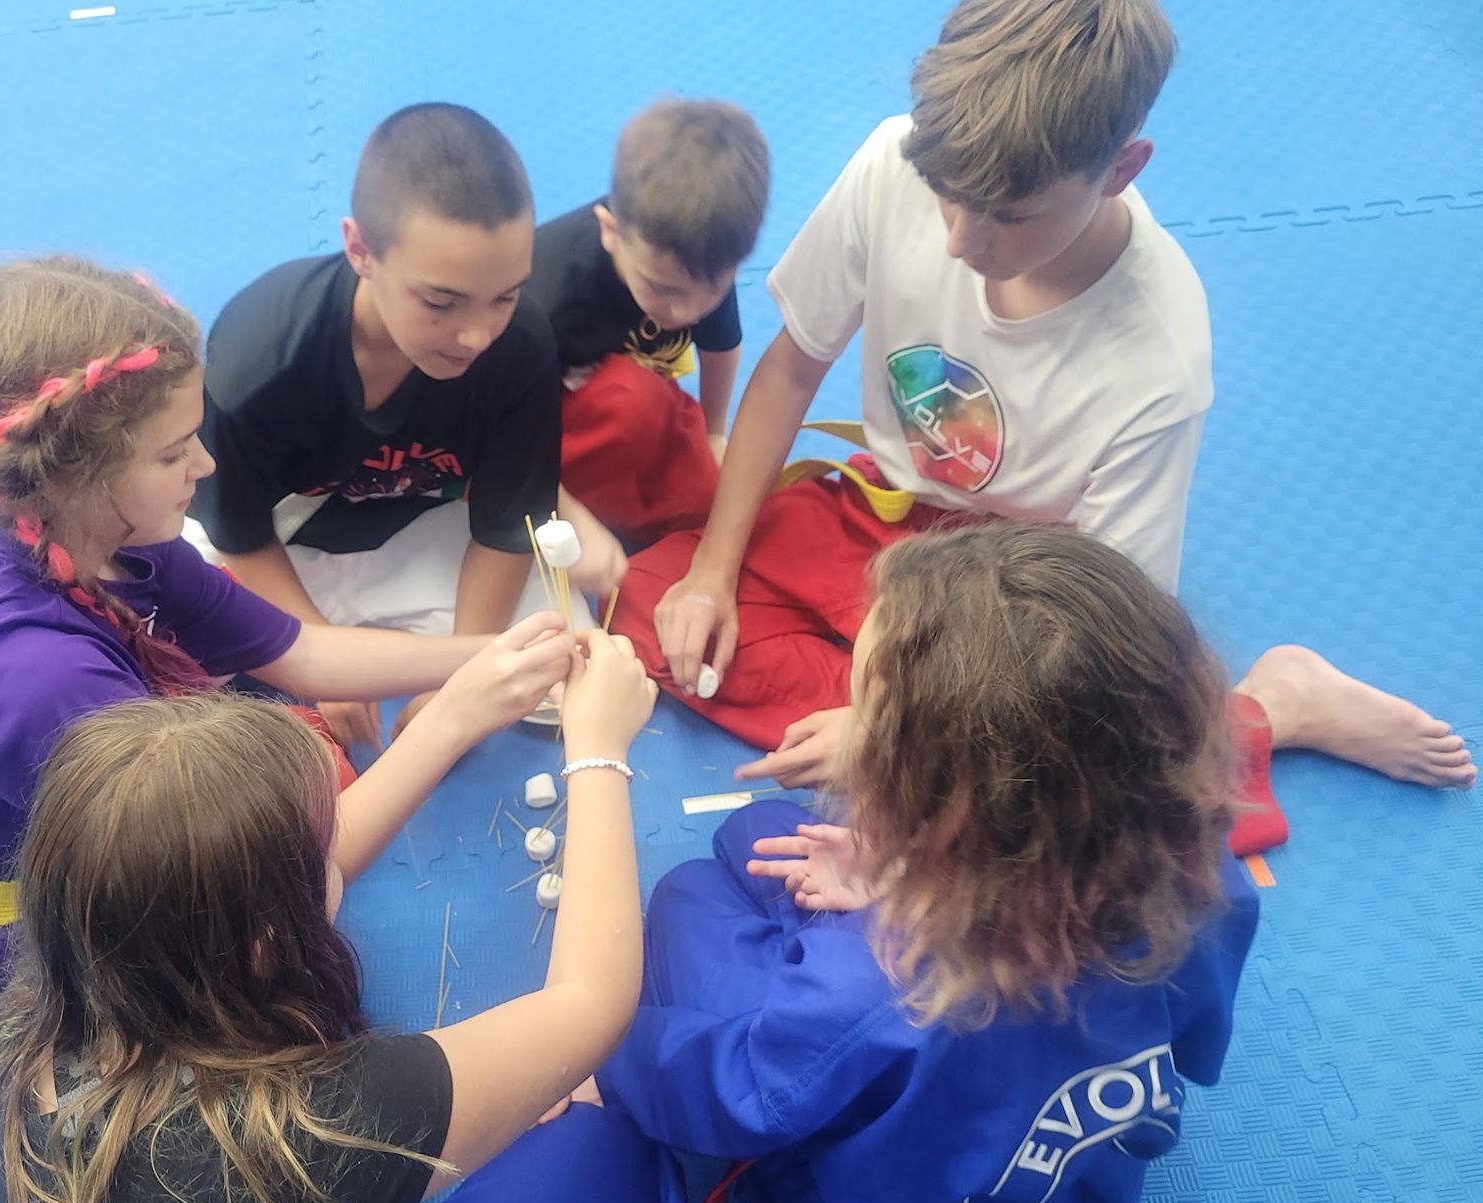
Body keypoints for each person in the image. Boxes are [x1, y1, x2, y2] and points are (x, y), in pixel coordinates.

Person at [611, 0, 1473, 822]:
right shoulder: (892, 160)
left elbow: (1097, 632)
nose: (958, 240)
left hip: (1026, 593)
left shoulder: (1161, 352)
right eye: (945, 192)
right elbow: (793, 366)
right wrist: (714, 573)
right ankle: (932, 751)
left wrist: (888, 738)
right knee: (654, 599)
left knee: (1074, 794)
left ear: (1122, 171)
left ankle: (1273, 708)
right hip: (884, 522)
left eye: (1009, 217)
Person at [0, 256, 572, 1090]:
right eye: (173, 454)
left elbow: (299, 652)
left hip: (83, 790)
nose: (205, 468)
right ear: (74, 475)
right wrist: (458, 717)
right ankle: (35, 1053)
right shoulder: (38, 683)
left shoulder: (96, 539)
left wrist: (493, 656)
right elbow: (299, 884)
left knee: (307, 754)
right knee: (284, 976)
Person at [598, 524, 1259, 1203]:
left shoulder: (870, 997)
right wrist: (908, 877)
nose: (851, 734)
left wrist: (599, 1050)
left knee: (692, 890)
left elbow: (729, 1097)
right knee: (761, 835)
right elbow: (1196, 1052)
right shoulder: (1206, 879)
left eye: (871, 716)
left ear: (952, 813)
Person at [0, 635, 683, 1203]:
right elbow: (592, 1001)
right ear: (267, 938)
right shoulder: (326, 1123)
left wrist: (453, 714)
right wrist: (598, 751)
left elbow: (244, 882)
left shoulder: (41, 1019)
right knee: (613, 1139)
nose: (333, 852)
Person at [185, 103, 606, 754]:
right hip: (289, 542)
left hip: (420, 530)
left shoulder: (520, 346)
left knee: (561, 656)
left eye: (504, 295)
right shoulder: (260, 357)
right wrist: (316, 656)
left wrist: (463, 678)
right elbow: (238, 534)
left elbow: (503, 532)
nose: (477, 334)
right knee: (166, 643)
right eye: (440, 302)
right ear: (360, 250)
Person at [527, 98, 768, 544]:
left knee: (717, 505)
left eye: (713, 292)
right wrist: (569, 517)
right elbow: (501, 431)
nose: (685, 313)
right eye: (662, 290)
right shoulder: (545, 299)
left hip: (646, 401)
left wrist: (715, 433)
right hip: (541, 422)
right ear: (610, 232)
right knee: (628, 403)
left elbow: (722, 346)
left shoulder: (702, 256)